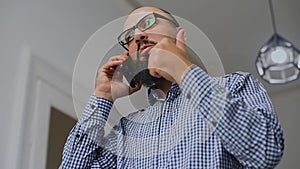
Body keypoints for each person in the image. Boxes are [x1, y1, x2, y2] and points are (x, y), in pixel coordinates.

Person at [61, 6, 284, 168]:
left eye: (148, 22)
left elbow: (265, 152)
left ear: (180, 35)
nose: (138, 35)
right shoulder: (125, 131)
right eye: (129, 36)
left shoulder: (234, 85)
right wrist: (103, 96)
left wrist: (183, 70)